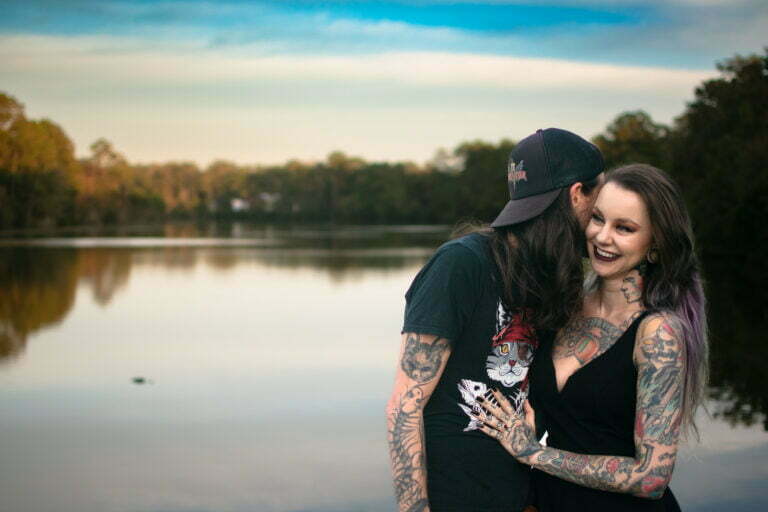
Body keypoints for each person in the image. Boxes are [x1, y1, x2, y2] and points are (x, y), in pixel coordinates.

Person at [386, 128, 605, 512]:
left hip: (522, 497)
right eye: (597, 195)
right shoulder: (461, 264)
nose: (600, 218)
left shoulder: (551, 275)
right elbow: (405, 405)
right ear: (576, 195)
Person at [476, 164, 708, 511]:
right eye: (598, 218)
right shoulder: (563, 306)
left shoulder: (658, 333)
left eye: (624, 228)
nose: (602, 236)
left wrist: (535, 453)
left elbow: (651, 478)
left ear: (655, 247)